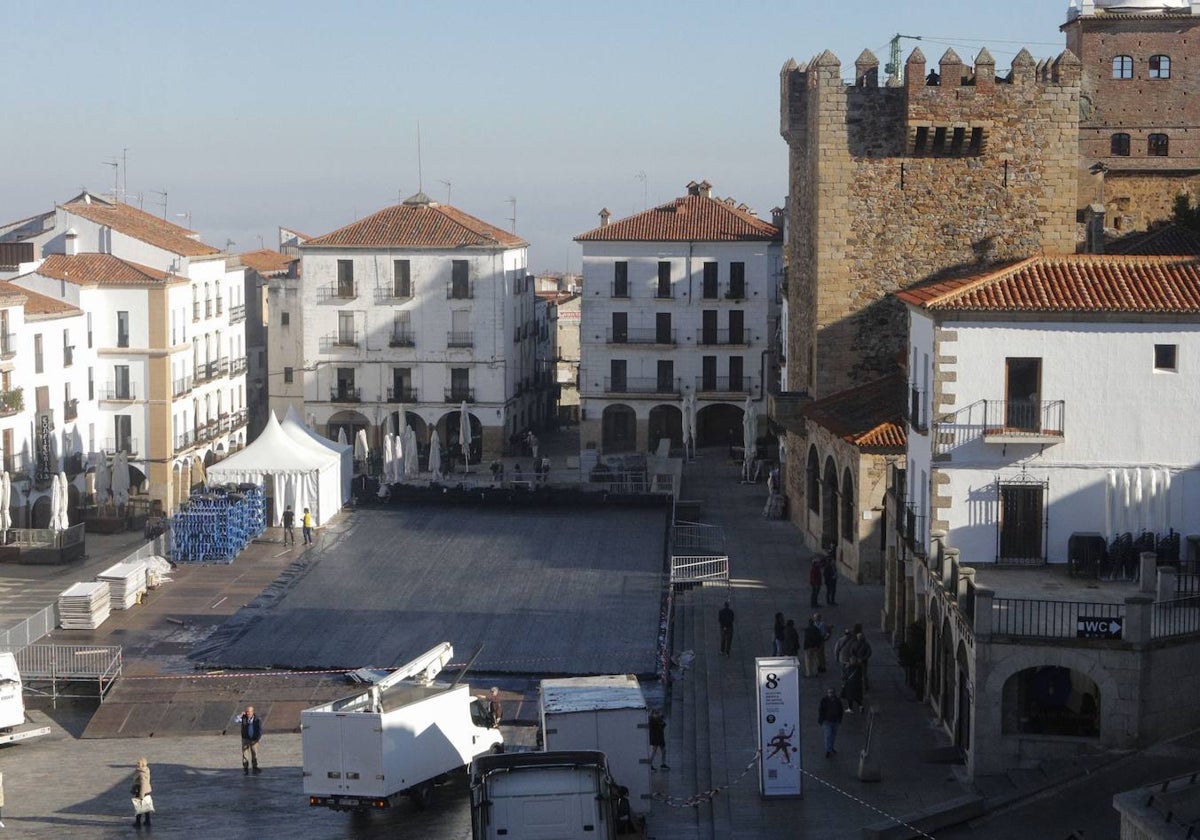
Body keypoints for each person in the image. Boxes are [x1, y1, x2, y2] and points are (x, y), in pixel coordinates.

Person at [233, 705, 263, 774]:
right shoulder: (243, 718)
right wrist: (241, 715)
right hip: (245, 738)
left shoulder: (257, 719)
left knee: (254, 753)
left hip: (254, 739)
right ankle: (245, 768)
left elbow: (260, 730)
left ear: (252, 712)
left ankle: (255, 767)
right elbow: (235, 720)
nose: (248, 713)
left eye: (249, 712)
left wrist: (258, 738)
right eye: (246, 712)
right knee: (245, 754)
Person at [818, 686, 845, 757]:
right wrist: (821, 720)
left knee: (833, 736)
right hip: (827, 721)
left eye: (832, 692)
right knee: (828, 736)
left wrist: (840, 719)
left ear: (834, 693)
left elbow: (841, 711)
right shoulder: (824, 700)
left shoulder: (838, 701)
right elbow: (821, 710)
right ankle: (828, 750)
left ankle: (831, 748)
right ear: (827, 693)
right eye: (829, 692)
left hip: (835, 721)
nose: (831, 694)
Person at [130, 757, 153, 828]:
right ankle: (147, 821)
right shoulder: (146, 770)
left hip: (141, 791)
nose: (136, 764)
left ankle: (138, 823)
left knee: (139, 807)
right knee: (146, 807)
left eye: (138, 763)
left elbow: (143, 784)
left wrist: (141, 795)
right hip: (147, 791)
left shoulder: (141, 773)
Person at [849, 625, 873, 691]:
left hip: (858, 661)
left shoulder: (854, 643)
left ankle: (861, 686)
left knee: (858, 674)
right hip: (863, 661)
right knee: (864, 674)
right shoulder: (866, 644)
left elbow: (851, 651)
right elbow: (869, 652)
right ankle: (865, 686)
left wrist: (855, 658)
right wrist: (863, 658)